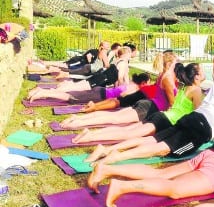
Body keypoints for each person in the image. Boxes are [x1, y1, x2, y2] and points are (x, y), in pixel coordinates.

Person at [85, 84, 214, 207]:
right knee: (175, 189)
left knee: (164, 174)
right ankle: (122, 186)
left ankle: (107, 169)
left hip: (210, 155)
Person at [85, 57, 214, 165]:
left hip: (191, 118)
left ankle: (106, 149)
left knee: (153, 140)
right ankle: (114, 157)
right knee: (163, 148)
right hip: (201, 130)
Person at [71, 63, 205, 143]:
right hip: (158, 114)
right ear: (196, 76)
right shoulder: (185, 86)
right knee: (125, 130)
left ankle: (86, 128)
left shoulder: (178, 84)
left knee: (123, 126)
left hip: (156, 111)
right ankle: (88, 133)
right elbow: (196, 114)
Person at [56, 52, 179, 130]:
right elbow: (172, 103)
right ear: (170, 63)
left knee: (113, 116)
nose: (177, 65)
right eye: (176, 62)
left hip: (148, 104)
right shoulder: (167, 78)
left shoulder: (163, 75)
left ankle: (77, 118)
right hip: (150, 108)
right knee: (114, 119)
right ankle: (78, 122)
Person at [77, 50, 177, 114]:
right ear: (169, 63)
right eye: (175, 63)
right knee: (118, 102)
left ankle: (95, 106)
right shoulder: (166, 76)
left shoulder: (161, 74)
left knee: (117, 100)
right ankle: (95, 107)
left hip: (144, 94)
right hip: (145, 96)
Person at [27, 46, 132, 101]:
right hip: (100, 79)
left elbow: (118, 77)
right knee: (75, 89)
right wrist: (120, 92)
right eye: (130, 53)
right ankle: (43, 91)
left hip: (100, 77)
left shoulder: (117, 61)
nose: (131, 55)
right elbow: (120, 78)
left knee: (75, 87)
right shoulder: (123, 63)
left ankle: (44, 91)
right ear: (126, 54)